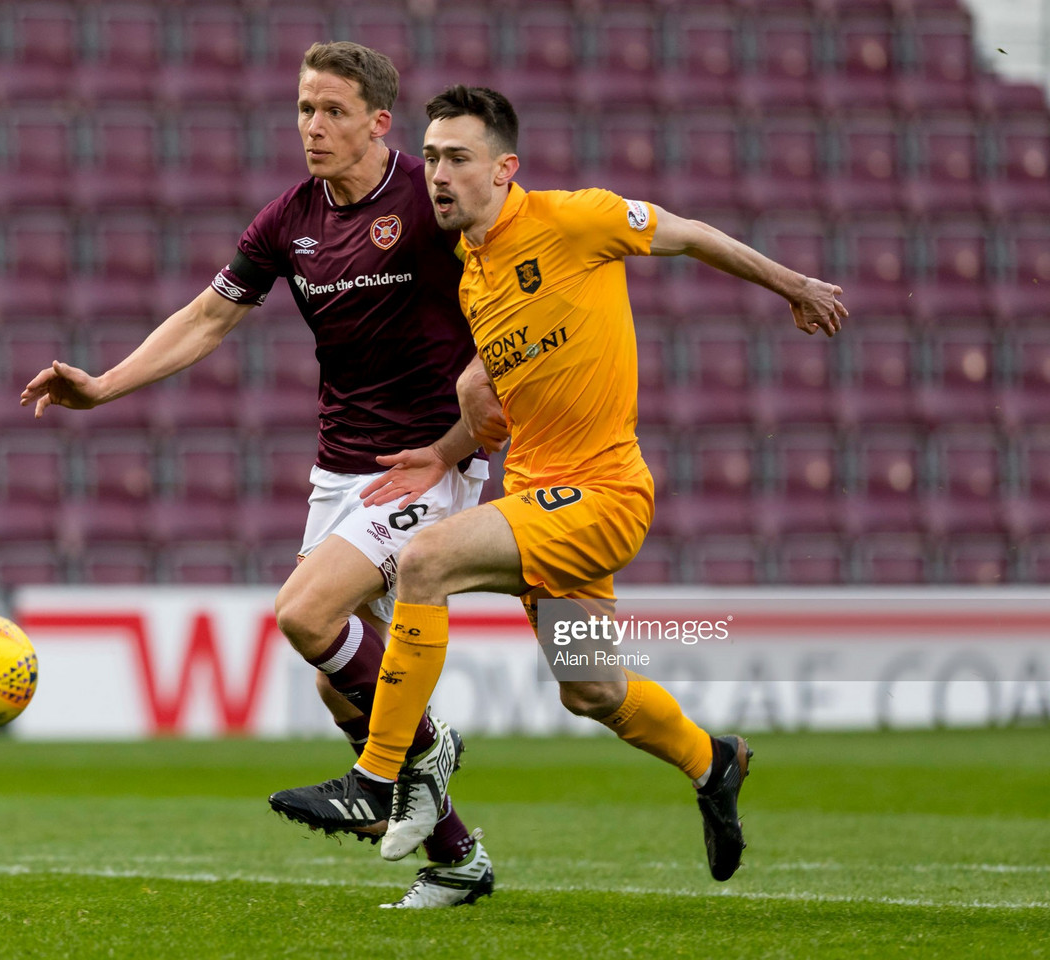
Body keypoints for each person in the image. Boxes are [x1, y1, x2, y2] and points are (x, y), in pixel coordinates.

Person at [269, 85, 848, 883]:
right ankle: (714, 761)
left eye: (459, 159)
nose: (437, 173)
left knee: (427, 561)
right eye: (431, 157)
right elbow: (500, 391)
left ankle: (382, 778)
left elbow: (687, 233)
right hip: (539, 501)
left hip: (604, 495)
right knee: (594, 690)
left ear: (505, 169)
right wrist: (447, 447)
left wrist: (793, 285)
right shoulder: (474, 276)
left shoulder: (578, 220)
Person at [19, 46, 504, 909]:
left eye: (331, 111)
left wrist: (467, 434)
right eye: (303, 109)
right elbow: (208, 318)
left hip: (422, 465)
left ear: (378, 123)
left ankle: (423, 749)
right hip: (339, 470)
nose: (312, 127)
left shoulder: (428, 203)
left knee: (304, 614)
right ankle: (459, 856)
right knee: (335, 680)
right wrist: (103, 386)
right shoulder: (287, 221)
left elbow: (513, 290)